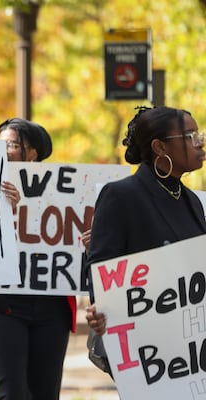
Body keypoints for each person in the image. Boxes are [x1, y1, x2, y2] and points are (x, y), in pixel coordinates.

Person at [85, 106, 206, 358]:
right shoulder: (120, 196)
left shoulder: (192, 201)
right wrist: (103, 310)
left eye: (199, 135)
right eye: (190, 136)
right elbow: (102, 267)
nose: (200, 143)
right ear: (159, 147)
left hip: (189, 346)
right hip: (145, 349)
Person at [0, 118, 77, 400]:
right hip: (1, 304)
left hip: (51, 305)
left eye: (12, 144)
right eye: (0, 143)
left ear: (32, 153)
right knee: (11, 392)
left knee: (45, 392)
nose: (4, 150)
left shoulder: (62, 193)